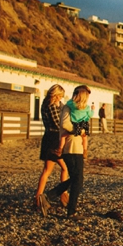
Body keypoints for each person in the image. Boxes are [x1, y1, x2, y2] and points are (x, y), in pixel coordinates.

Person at [42, 85, 91, 219]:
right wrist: (79, 130)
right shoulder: (68, 108)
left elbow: (85, 125)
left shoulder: (80, 109)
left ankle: (49, 197)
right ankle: (70, 211)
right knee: (78, 180)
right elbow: (64, 125)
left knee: (77, 179)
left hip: (78, 147)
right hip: (70, 147)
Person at [35, 84, 69, 216]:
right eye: (60, 96)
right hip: (55, 138)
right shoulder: (53, 106)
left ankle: (38, 198)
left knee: (47, 171)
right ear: (55, 94)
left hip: (48, 137)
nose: (60, 98)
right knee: (64, 168)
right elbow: (57, 123)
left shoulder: (44, 104)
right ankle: (63, 196)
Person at [58, 91, 91, 158]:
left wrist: (71, 99)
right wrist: (86, 118)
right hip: (82, 124)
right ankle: (85, 151)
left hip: (74, 124)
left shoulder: (72, 105)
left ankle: (60, 149)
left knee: (63, 136)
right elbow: (89, 115)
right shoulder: (87, 107)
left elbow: (67, 103)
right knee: (84, 138)